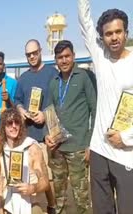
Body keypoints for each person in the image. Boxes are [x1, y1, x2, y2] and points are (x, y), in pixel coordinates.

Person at [78, 0, 133, 213]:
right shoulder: (100, 56)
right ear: (102, 37)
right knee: (102, 209)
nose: (114, 37)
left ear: (126, 32)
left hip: (126, 152)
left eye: (118, 31)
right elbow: (85, 22)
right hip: (100, 150)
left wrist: (126, 138)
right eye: (109, 33)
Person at [45, 40, 96, 214]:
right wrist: (47, 136)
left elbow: (94, 109)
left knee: (81, 195)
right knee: (59, 195)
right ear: (56, 60)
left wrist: (90, 142)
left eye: (67, 56)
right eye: (60, 57)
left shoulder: (84, 77)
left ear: (73, 56)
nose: (64, 61)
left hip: (78, 147)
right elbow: (48, 112)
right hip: (57, 148)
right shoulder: (53, 82)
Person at [15, 39, 58, 213]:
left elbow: (60, 100)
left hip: (47, 135)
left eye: (34, 53)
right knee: (33, 175)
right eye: (28, 54)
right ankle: (35, 206)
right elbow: (17, 100)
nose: (32, 56)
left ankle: (52, 206)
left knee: (48, 176)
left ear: (40, 51)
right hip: (28, 135)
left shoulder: (52, 73)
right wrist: (21, 110)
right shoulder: (23, 78)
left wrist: (45, 115)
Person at [0, 108, 49, 214]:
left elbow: (45, 182)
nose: (14, 126)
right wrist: (0, 209)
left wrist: (33, 188)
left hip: (31, 201)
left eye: (17, 122)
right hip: (9, 203)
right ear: (3, 127)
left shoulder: (32, 148)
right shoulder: (0, 151)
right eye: (9, 123)